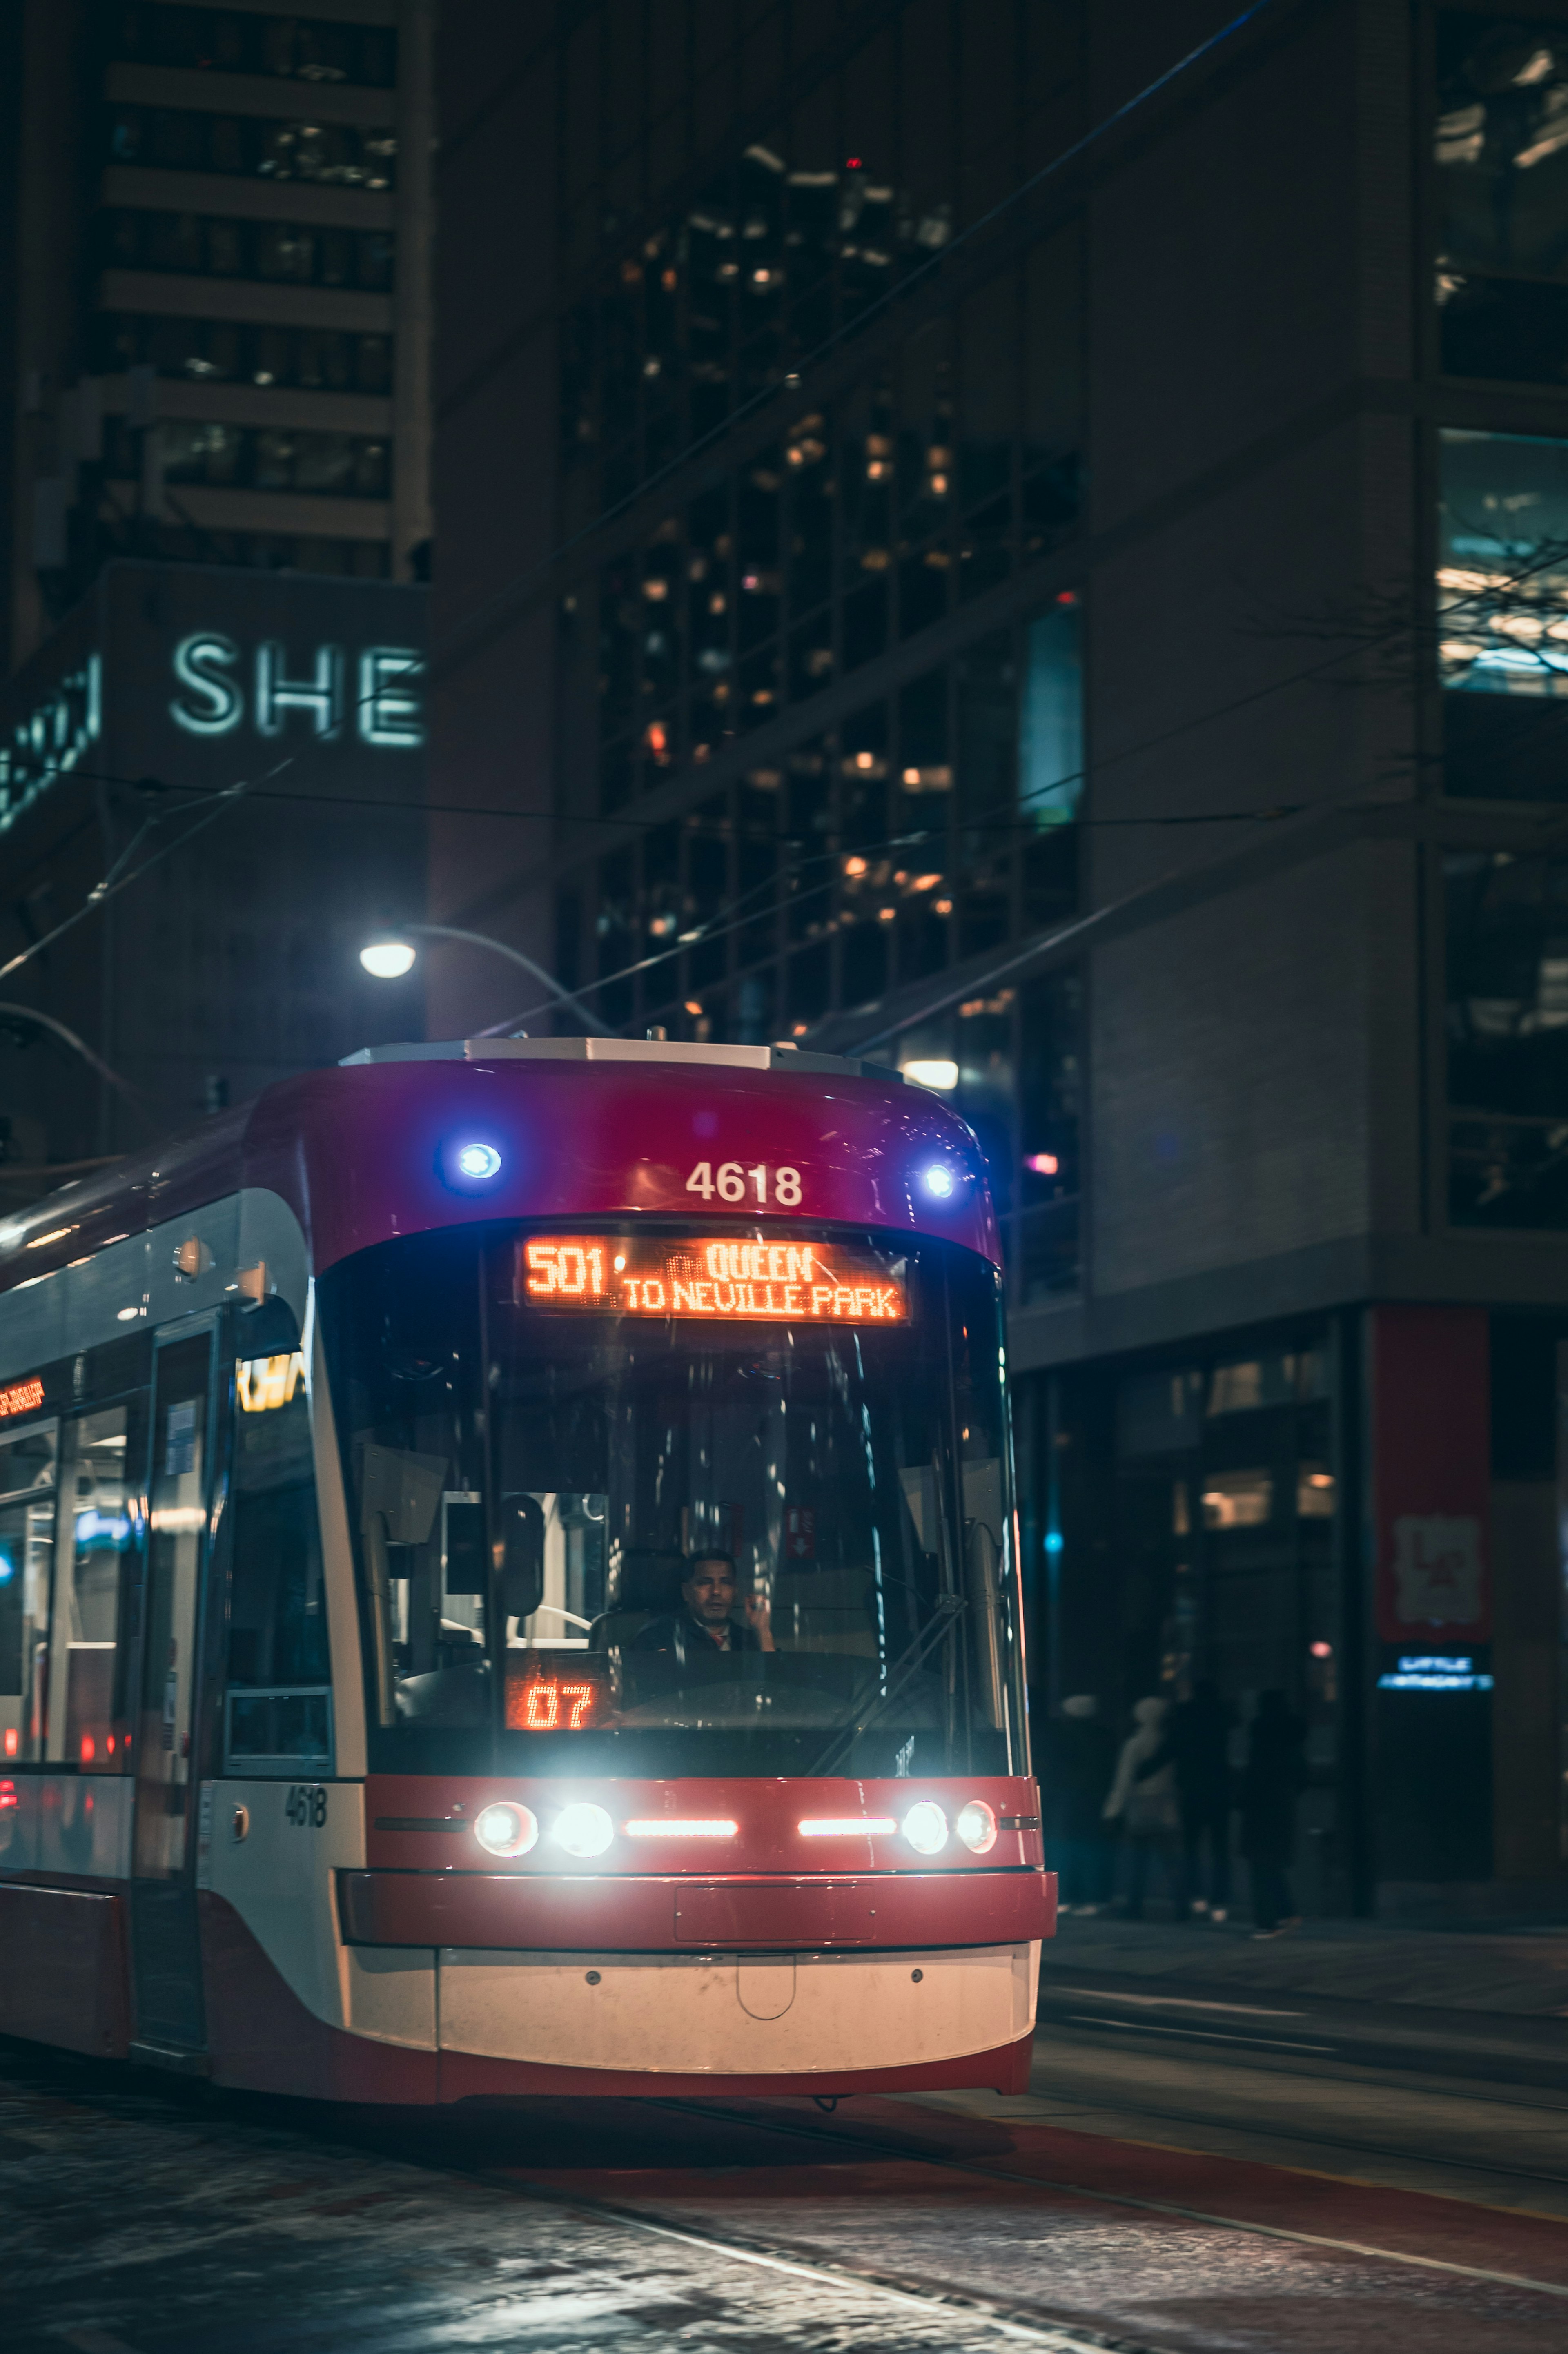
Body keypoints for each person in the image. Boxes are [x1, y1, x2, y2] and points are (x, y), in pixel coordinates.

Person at [1135, 1678, 1236, 1922]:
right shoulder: (1223, 1718)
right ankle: (1220, 1901)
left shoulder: (1186, 1720)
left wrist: (1142, 1772)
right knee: (1220, 1848)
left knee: (1192, 1847)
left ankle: (1197, 1897)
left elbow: (1169, 1750)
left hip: (1192, 1790)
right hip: (1219, 1789)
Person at [1103, 1696, 1179, 1920]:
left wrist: (1113, 1811)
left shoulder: (1134, 1744)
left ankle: (1135, 1906)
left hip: (1141, 1805)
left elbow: (1124, 1781)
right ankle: (1182, 1904)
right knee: (1171, 1859)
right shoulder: (1170, 1741)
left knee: (1138, 1861)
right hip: (1167, 1805)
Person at [1240, 1688, 1308, 1938]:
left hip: (1259, 1808)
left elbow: (1252, 1776)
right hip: (1282, 1806)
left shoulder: (1260, 1737)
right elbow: (1303, 1776)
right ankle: (1286, 1913)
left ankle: (1267, 1923)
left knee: (1261, 1866)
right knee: (1272, 1863)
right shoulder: (1292, 1740)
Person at [1040, 1695, 1118, 1912]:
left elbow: (1052, 1769)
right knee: (1092, 1850)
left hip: (1065, 1800)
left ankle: (1064, 1898)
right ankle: (1094, 1898)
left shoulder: (1061, 1737)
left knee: (1063, 1850)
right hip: (1096, 1798)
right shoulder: (1105, 1737)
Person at [629, 1549, 775, 1661]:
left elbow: (776, 1688)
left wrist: (764, 1632)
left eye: (725, 1582)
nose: (716, 1591)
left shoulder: (747, 1640)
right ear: (686, 1592)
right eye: (705, 1582)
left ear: (735, 1591)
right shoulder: (660, 1635)